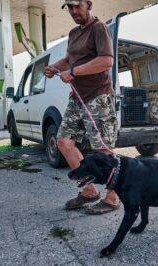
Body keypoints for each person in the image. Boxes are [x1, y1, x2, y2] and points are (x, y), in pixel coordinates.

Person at [44, 0, 119, 214]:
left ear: (89, 4)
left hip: (98, 96)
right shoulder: (73, 33)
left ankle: (113, 197)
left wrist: (74, 73)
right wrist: (54, 67)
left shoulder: (99, 28)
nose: (74, 11)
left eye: (78, 6)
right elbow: (69, 59)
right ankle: (89, 191)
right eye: (70, 7)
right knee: (63, 142)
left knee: (103, 149)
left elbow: (106, 61)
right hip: (77, 98)